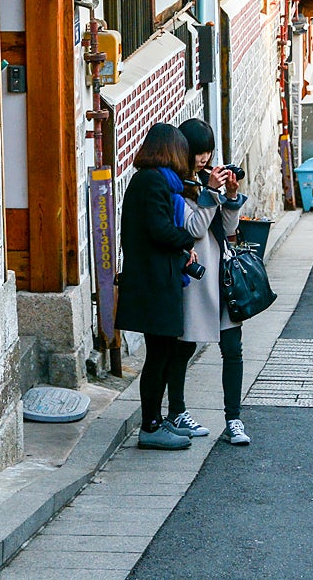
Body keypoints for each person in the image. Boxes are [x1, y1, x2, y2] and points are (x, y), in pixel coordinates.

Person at [116, 123, 207, 450]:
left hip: (158, 280)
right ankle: (151, 426)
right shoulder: (152, 182)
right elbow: (159, 230)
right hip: (153, 284)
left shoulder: (155, 182)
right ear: (171, 150)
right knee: (158, 356)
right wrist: (186, 240)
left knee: (163, 353)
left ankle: (156, 422)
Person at [174, 118, 252, 445]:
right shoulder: (176, 185)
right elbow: (194, 229)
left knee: (232, 348)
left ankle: (233, 419)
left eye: (208, 152)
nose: (204, 159)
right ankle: (177, 411)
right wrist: (211, 194)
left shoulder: (208, 182)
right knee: (184, 348)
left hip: (221, 274)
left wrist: (230, 196)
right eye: (198, 153)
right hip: (195, 278)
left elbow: (228, 228)